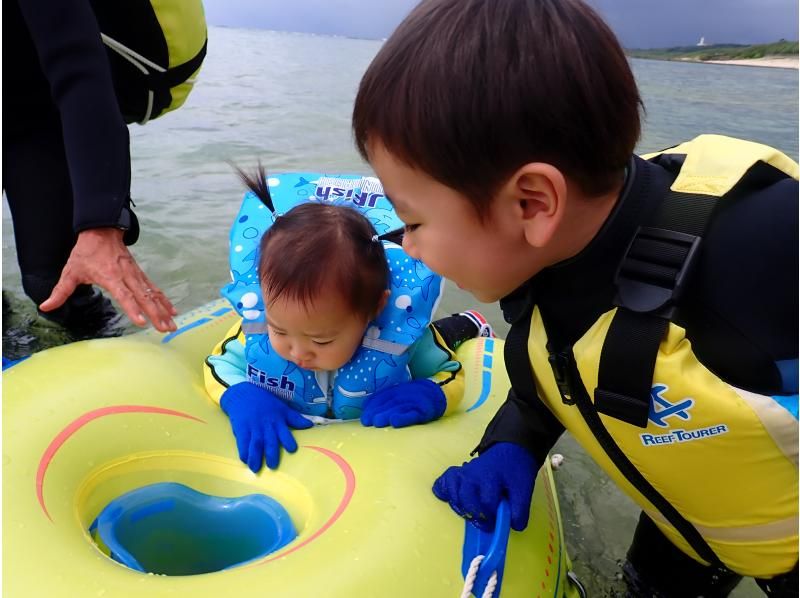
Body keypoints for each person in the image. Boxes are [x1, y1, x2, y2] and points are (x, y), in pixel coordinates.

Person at [350, 0, 799, 595]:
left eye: (413, 221)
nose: (405, 246)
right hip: (682, 524)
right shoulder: (543, 272)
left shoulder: (761, 246)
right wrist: (511, 444)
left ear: (533, 203)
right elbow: (556, 381)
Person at [203, 167, 494, 473]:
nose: (299, 353)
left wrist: (431, 393)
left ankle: (469, 322)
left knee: (441, 336)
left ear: (374, 308)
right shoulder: (257, 332)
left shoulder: (396, 337)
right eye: (280, 330)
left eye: (321, 340)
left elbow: (448, 373)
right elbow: (219, 364)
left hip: (396, 348)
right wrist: (243, 396)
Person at [3, 0, 207, 336]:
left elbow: (78, 64)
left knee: (54, 286)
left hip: (36, 111)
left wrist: (100, 224)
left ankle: (114, 360)